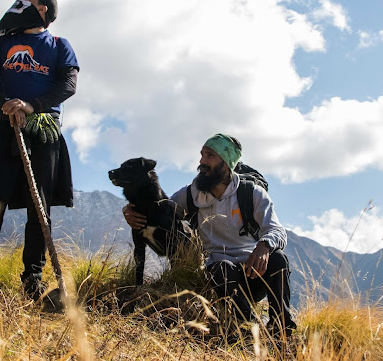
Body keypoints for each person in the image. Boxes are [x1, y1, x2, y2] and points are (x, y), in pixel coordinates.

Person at [0, 0, 79, 301]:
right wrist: (5, 102)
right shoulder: (4, 41)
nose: (19, 4)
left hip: (44, 130)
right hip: (6, 127)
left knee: (39, 206)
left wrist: (32, 106)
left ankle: (33, 279)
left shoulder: (59, 45)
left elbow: (69, 85)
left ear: (42, 10)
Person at [123, 134, 296, 337]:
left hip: (254, 271)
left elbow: (277, 230)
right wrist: (128, 210)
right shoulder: (191, 195)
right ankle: (249, 328)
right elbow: (160, 209)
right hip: (220, 278)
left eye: (210, 156)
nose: (202, 161)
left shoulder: (252, 194)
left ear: (227, 163)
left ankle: (280, 330)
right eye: (202, 155)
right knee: (220, 268)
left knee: (279, 259)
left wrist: (264, 246)